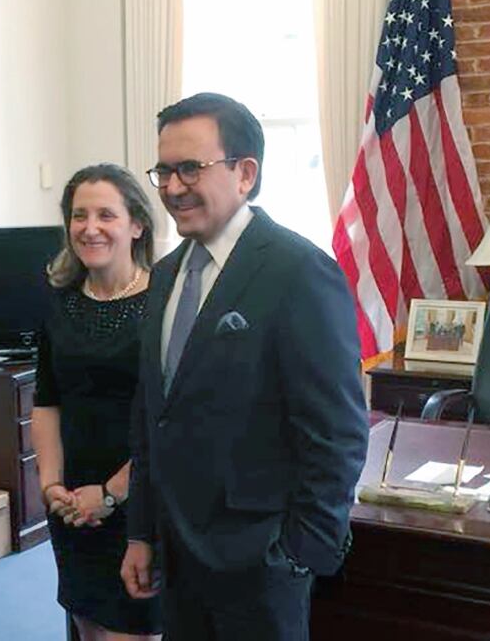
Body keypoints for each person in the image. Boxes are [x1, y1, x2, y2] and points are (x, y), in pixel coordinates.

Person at [119, 92, 369, 641]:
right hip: (177, 556)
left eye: (190, 168)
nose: (172, 187)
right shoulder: (163, 276)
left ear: (245, 173)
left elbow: (337, 432)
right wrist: (142, 534)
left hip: (262, 564)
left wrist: (300, 555)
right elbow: (152, 418)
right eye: (164, 170)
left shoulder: (299, 272)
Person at [32, 163, 162, 641]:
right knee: (86, 625)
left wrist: (109, 495)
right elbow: (47, 400)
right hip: (71, 506)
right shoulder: (58, 300)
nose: (90, 227)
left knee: (130, 630)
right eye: (79, 215)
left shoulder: (164, 302)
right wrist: (50, 488)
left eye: (106, 214)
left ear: (137, 224)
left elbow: (167, 420)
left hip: (140, 504)